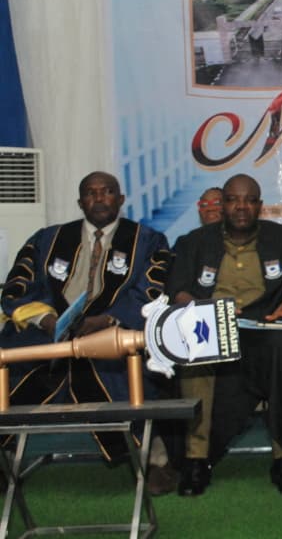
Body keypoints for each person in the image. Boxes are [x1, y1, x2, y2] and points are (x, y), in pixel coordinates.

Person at [166, 174, 282, 495]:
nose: (241, 207)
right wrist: (202, 309)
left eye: (249, 200)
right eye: (233, 200)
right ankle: (196, 460)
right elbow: (177, 291)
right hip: (211, 326)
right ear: (224, 204)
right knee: (196, 351)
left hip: (266, 327)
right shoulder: (194, 243)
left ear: (259, 206)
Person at [0, 171, 170, 461]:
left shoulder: (148, 241)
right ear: (80, 203)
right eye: (91, 193)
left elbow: (150, 291)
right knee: (14, 362)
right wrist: (45, 319)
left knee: (125, 373)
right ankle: (4, 457)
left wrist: (108, 320)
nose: (99, 198)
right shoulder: (48, 239)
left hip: (112, 335)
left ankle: (151, 458)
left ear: (121, 199)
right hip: (48, 334)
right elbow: (19, 285)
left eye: (107, 191)